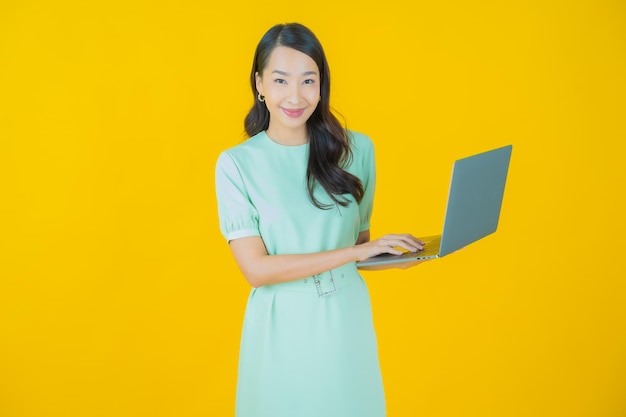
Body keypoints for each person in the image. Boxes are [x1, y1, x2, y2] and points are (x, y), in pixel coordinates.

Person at [215, 22, 428, 417]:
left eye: (308, 81)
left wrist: (395, 255)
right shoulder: (237, 165)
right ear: (259, 84)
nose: (295, 96)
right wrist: (354, 252)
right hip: (283, 325)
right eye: (280, 80)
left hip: (347, 318)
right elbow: (256, 270)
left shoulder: (357, 150)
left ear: (322, 84)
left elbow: (358, 248)